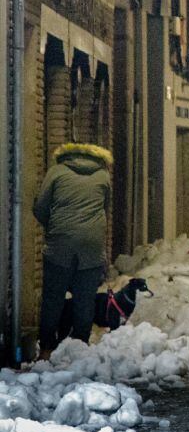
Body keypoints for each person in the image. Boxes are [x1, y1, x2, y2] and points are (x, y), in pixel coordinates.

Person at [33, 143, 112, 359]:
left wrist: (54, 227)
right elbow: (106, 207)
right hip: (92, 246)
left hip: (60, 244)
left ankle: (47, 349)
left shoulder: (56, 172)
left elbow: (41, 207)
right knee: (85, 299)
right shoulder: (103, 175)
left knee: (53, 298)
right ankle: (80, 348)